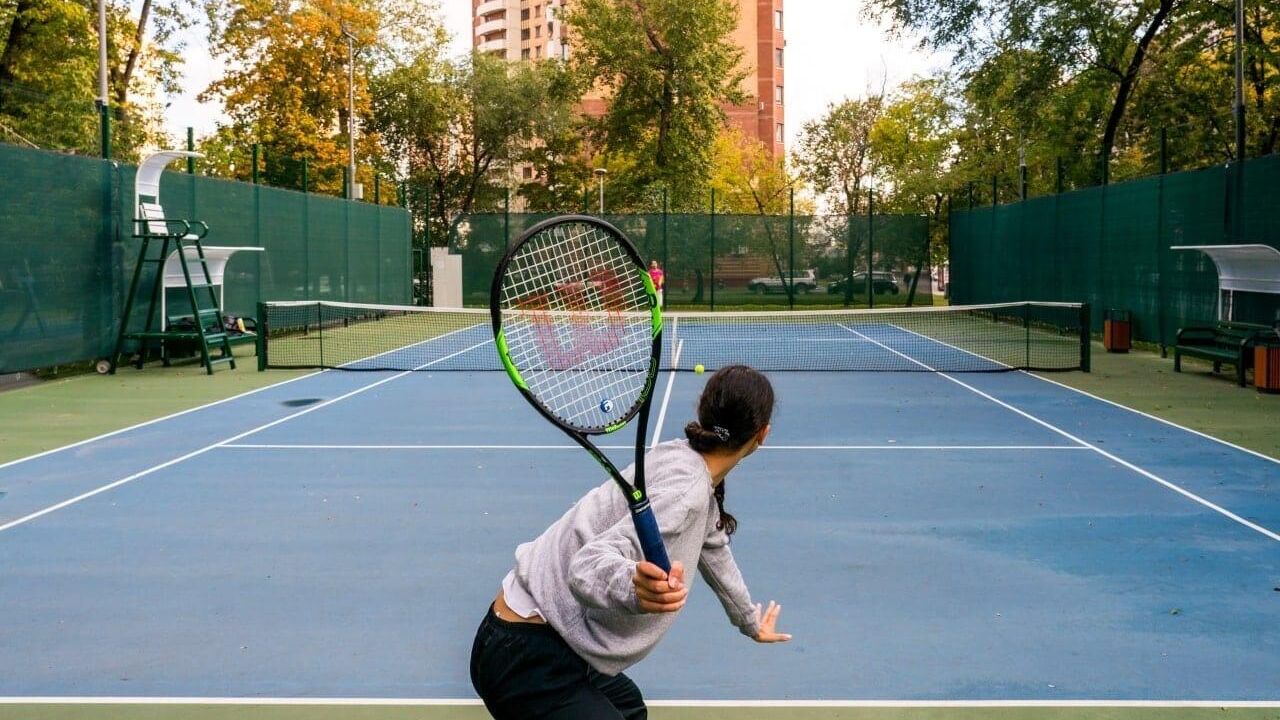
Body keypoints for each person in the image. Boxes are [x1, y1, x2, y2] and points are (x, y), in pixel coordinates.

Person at [470, 365, 790, 719]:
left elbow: (714, 550)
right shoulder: (686, 491)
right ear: (762, 434)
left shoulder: (684, 463)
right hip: (527, 654)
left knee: (630, 709)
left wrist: (749, 621)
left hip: (537, 638)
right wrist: (633, 585)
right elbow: (587, 566)